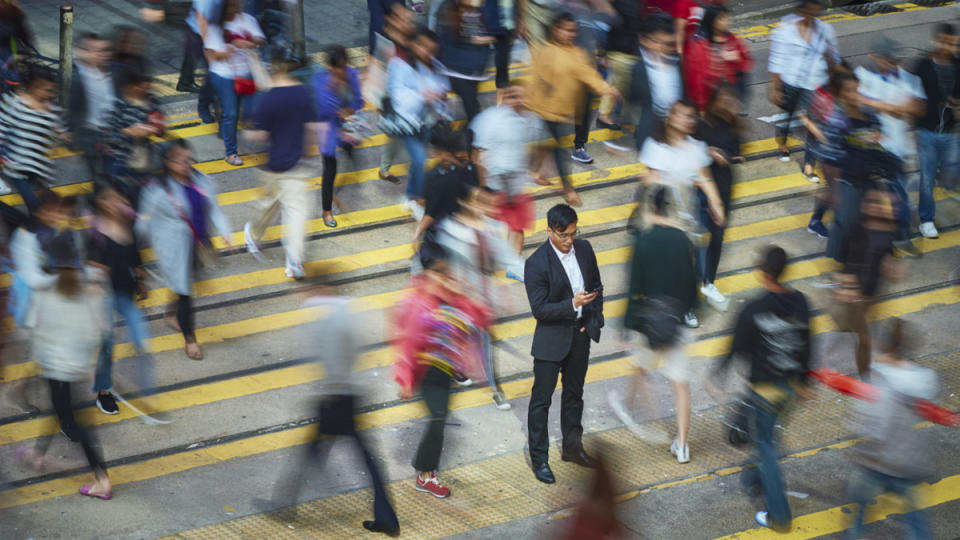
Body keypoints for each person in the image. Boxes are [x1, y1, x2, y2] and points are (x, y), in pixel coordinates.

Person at [269, 285, 400, 536]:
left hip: (336, 397)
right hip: (351, 394)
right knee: (361, 456)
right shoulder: (347, 308)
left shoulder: (323, 315)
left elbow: (328, 356)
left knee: (312, 450)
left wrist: (328, 391)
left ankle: (285, 505)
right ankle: (386, 517)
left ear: (319, 288)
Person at [712, 245, 813, 533]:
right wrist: (806, 383)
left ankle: (779, 516)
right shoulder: (801, 302)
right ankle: (751, 479)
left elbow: (735, 349)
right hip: (792, 389)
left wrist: (716, 376)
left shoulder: (754, 309)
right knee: (768, 437)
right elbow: (808, 343)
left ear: (763, 273)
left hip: (765, 392)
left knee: (766, 446)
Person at [17, 234, 112, 500]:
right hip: (73, 365)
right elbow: (94, 331)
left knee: (75, 420)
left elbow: (31, 330)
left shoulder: (46, 290)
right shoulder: (85, 289)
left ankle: (102, 480)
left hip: (54, 366)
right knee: (59, 407)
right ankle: (38, 454)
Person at [393, 238, 489, 498]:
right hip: (426, 371)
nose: (445, 276)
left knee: (441, 416)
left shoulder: (452, 294)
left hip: (447, 368)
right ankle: (425, 474)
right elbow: (408, 342)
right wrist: (405, 379)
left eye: (447, 271)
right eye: (439, 272)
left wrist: (461, 294)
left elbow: (480, 318)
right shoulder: (418, 301)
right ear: (426, 272)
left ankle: (424, 469)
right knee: (437, 417)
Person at [614, 185, 697, 462]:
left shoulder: (643, 241)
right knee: (680, 384)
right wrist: (687, 313)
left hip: (650, 323)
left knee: (640, 366)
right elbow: (691, 283)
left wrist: (627, 325)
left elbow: (633, 287)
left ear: (651, 208)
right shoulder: (684, 239)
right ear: (670, 208)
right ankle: (682, 445)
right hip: (677, 322)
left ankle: (629, 408)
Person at [524, 203, 604, 484]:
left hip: (579, 336)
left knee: (574, 396)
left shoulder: (584, 249)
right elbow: (540, 309)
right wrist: (572, 305)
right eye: (564, 235)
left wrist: (594, 318)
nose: (570, 240)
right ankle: (539, 459)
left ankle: (572, 448)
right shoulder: (536, 263)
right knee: (541, 402)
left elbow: (597, 285)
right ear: (549, 231)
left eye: (573, 233)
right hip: (550, 341)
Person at [137, 139, 233, 360]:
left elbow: (214, 209)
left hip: (199, 244)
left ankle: (171, 310)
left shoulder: (202, 180)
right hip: (173, 249)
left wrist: (225, 232)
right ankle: (190, 340)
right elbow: (143, 222)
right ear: (167, 162)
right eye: (179, 160)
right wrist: (134, 250)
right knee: (185, 292)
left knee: (187, 283)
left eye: (187, 158)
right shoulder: (157, 190)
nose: (185, 164)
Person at [637, 98, 726, 328]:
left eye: (691, 116)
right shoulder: (656, 147)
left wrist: (716, 202)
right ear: (671, 118)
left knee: (692, 262)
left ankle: (687, 306)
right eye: (684, 115)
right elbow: (648, 181)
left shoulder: (695, 147)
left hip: (689, 214)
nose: (689, 120)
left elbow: (703, 176)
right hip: (664, 215)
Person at [846, 318, 936, 540]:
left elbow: (862, 423)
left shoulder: (874, 379)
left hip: (877, 461)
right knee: (915, 520)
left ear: (883, 346)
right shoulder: (923, 378)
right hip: (908, 461)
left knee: (860, 508)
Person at [436, 185, 523, 409]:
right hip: (459, 296)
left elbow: (509, 259)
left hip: (483, 298)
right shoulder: (451, 229)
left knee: (486, 345)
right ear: (467, 203)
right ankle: (454, 365)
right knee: (460, 337)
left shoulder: (492, 228)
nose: (485, 208)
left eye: (487, 203)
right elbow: (444, 264)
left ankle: (496, 390)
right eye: (480, 202)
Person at [243, 47, 320, 280]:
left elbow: (261, 135)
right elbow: (312, 129)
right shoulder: (303, 94)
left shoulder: (269, 98)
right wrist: (309, 152)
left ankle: (291, 259)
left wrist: (248, 135)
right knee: (285, 209)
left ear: (274, 68)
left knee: (285, 207)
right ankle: (255, 232)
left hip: (275, 164)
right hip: (297, 163)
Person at [528, 12, 618, 207]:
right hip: (544, 111)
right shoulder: (544, 51)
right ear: (555, 29)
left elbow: (588, 75)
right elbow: (536, 81)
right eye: (565, 30)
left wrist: (606, 89)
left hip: (562, 112)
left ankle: (535, 171)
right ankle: (568, 188)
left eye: (572, 31)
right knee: (559, 150)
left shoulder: (577, 53)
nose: (569, 34)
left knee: (547, 144)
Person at [87, 188, 156, 416]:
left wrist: (141, 280)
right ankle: (104, 392)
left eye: (119, 197)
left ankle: (144, 391)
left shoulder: (128, 225)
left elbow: (135, 257)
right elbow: (90, 271)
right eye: (112, 198)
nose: (118, 202)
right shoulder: (96, 234)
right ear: (101, 203)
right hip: (105, 296)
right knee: (107, 347)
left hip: (126, 293)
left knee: (141, 339)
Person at [854, 36, 925, 248]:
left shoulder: (908, 78)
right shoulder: (862, 76)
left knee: (899, 193)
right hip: (869, 147)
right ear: (874, 57)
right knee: (866, 195)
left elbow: (918, 108)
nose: (893, 64)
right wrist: (892, 108)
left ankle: (902, 236)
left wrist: (881, 106)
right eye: (888, 59)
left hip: (897, 147)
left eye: (895, 60)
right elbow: (854, 102)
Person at [470, 83, 541, 275]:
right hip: (494, 180)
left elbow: (537, 145)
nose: (518, 101)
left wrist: (533, 172)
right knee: (490, 225)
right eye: (512, 96)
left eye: (521, 96)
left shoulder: (530, 119)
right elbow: (477, 153)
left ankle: (514, 262)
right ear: (503, 97)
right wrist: (483, 187)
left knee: (517, 225)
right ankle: (485, 259)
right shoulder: (489, 119)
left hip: (516, 181)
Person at [833, 185, 903, 379]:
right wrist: (846, 286)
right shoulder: (856, 229)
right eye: (871, 202)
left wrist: (892, 268)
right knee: (864, 340)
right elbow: (845, 260)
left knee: (865, 337)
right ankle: (865, 377)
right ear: (863, 205)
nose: (875, 206)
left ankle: (871, 370)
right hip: (855, 296)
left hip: (872, 293)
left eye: (879, 202)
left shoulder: (889, 230)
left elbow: (889, 257)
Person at [384, 27, 450, 220]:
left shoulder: (433, 65)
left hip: (425, 122)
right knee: (421, 159)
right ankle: (415, 198)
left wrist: (438, 94)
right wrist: (424, 95)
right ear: (413, 45)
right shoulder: (399, 65)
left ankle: (411, 194)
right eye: (423, 47)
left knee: (417, 162)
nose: (427, 53)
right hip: (405, 124)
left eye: (431, 50)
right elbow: (398, 98)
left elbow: (443, 86)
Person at [768, 0, 839, 163]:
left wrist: (833, 79)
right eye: (808, 11)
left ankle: (810, 160)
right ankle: (783, 145)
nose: (811, 15)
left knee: (813, 120)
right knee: (787, 116)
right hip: (790, 81)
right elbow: (777, 59)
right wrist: (775, 88)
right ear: (801, 10)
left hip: (815, 84)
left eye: (815, 12)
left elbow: (833, 58)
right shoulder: (786, 28)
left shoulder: (825, 29)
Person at [694, 83, 743, 311]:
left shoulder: (732, 124)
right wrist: (709, 152)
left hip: (725, 189)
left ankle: (708, 282)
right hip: (704, 191)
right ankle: (693, 292)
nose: (729, 104)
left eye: (731, 100)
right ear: (714, 101)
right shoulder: (702, 125)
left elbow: (738, 150)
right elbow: (690, 151)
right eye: (725, 100)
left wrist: (732, 157)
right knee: (699, 242)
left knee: (717, 239)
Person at [912, 23, 960, 239]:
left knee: (953, 172)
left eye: (952, 44)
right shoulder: (922, 65)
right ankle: (926, 219)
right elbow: (911, 95)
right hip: (927, 132)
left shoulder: (958, 65)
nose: (948, 47)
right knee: (927, 179)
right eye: (944, 42)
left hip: (952, 131)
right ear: (935, 41)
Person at [204, 0, 265, 166]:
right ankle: (231, 152)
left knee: (251, 110)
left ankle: (236, 132)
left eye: (238, 3)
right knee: (231, 114)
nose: (237, 7)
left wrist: (252, 42)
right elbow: (212, 55)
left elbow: (261, 40)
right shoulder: (215, 26)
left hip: (246, 73)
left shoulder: (247, 19)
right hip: (224, 75)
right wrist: (228, 50)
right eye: (232, 4)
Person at [0, 63, 66, 211]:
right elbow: (2, 128)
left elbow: (58, 127)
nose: (50, 94)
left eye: (53, 91)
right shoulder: (14, 103)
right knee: (36, 208)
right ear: (34, 86)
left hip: (40, 167)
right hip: (18, 165)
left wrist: (63, 135)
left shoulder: (52, 107)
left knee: (42, 203)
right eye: (47, 90)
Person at [312, 45, 364, 228]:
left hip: (346, 124)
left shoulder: (352, 75)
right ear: (329, 67)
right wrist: (336, 91)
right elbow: (322, 110)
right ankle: (327, 210)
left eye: (343, 66)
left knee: (352, 152)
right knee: (330, 169)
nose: (340, 71)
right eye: (336, 67)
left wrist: (348, 108)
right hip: (327, 127)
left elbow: (359, 100)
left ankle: (349, 155)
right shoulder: (320, 80)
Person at [104, 70, 165, 206]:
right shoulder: (117, 104)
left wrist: (155, 128)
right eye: (140, 87)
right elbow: (107, 136)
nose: (144, 91)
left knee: (143, 203)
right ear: (130, 86)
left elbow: (161, 129)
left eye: (146, 87)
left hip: (143, 162)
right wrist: (128, 132)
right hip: (120, 163)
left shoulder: (151, 101)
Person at [372, 2, 416, 186]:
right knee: (396, 138)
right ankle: (384, 169)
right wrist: (379, 103)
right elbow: (379, 73)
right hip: (393, 99)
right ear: (392, 20)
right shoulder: (386, 43)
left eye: (408, 18)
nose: (408, 21)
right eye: (403, 18)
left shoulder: (413, 38)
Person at [67, 33, 117, 187]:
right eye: (95, 50)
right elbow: (71, 110)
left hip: (113, 132)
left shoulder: (114, 71)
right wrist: (73, 140)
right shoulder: (76, 78)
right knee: (99, 176)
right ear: (83, 51)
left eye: (105, 50)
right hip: (91, 135)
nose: (102, 54)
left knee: (113, 173)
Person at [626, 13, 682, 152]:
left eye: (668, 44)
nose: (662, 47)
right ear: (645, 40)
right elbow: (633, 98)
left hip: (679, 130)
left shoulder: (679, 62)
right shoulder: (639, 68)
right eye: (657, 41)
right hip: (653, 132)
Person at [683, 5, 752, 111]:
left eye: (727, 18)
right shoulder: (700, 45)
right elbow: (697, 78)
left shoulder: (732, 39)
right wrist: (701, 106)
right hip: (710, 99)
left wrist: (737, 59)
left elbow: (747, 63)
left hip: (732, 96)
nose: (727, 22)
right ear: (711, 21)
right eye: (721, 19)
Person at [414, 125, 478, 239]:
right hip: (447, 229)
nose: (444, 157)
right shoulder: (435, 176)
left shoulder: (469, 168)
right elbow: (431, 211)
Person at [437, 0, 494, 123]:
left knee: (472, 107)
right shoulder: (456, 9)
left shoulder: (473, 8)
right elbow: (471, 38)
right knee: (472, 109)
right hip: (460, 70)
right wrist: (495, 37)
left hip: (469, 69)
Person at [595, 0, 643, 130]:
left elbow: (606, 29)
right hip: (623, 53)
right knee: (621, 86)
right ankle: (608, 116)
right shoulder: (629, 5)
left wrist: (603, 54)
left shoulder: (620, 4)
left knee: (615, 84)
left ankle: (605, 115)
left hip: (618, 51)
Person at [177, 0, 223, 123]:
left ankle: (186, 84)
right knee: (212, 74)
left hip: (212, 34)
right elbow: (201, 19)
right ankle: (204, 107)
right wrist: (208, 46)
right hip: (201, 35)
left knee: (213, 73)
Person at [481, 0, 516, 90]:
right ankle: (502, 84)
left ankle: (502, 84)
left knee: (502, 53)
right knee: (502, 54)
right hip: (498, 21)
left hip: (503, 21)